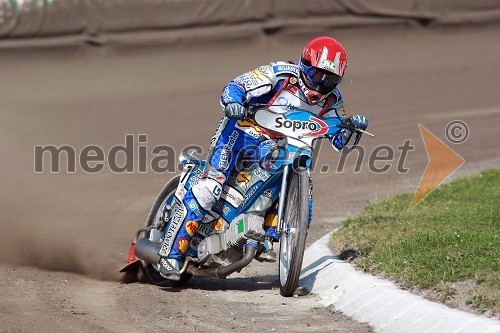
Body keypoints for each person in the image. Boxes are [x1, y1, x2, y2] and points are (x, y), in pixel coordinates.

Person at [157, 36, 369, 280]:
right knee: (210, 188)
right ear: (303, 64)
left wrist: (352, 127)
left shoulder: (333, 99)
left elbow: (339, 141)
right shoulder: (278, 74)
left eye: (329, 79)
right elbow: (236, 85)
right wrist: (234, 102)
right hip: (238, 134)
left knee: (278, 167)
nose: (321, 84)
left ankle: (262, 233)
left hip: (273, 144)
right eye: (316, 74)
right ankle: (170, 254)